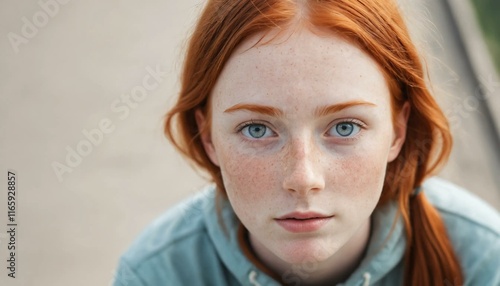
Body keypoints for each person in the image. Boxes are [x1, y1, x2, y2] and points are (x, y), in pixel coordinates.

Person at [113, 0, 500, 285]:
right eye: (257, 129)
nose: (303, 177)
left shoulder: (482, 261)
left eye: (345, 127)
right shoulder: (157, 274)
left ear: (398, 131)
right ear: (208, 135)